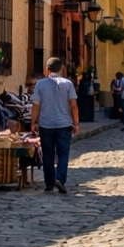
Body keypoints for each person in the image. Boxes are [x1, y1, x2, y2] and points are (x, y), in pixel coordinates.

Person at [31, 57, 79, 195]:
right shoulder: (68, 84)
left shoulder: (40, 84)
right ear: (62, 68)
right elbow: (74, 105)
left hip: (46, 125)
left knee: (48, 154)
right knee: (63, 154)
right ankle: (60, 178)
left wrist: (33, 122)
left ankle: (49, 183)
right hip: (64, 124)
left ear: (47, 69)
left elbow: (36, 105)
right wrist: (75, 123)